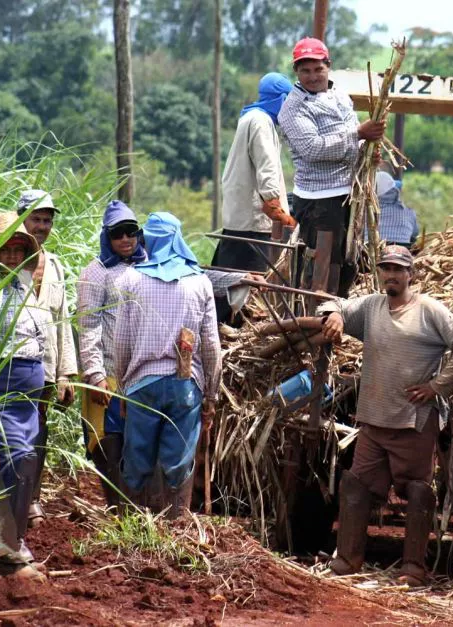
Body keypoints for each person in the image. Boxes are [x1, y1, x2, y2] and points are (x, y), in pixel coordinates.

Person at [319, 245, 453, 585]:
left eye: (398, 269)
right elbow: (335, 303)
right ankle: (347, 561)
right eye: (386, 269)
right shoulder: (372, 306)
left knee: (418, 490)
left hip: (413, 420)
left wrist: (438, 386)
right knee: (357, 484)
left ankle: (413, 569)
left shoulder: (428, 311)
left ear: (411, 274)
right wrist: (335, 314)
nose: (391, 275)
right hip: (374, 419)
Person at [113, 212, 221, 518]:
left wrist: (122, 389)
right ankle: (175, 525)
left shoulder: (132, 279)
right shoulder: (199, 282)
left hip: (141, 385)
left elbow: (121, 343)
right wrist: (211, 395)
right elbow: (212, 346)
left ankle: (133, 525)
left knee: (137, 458)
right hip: (185, 387)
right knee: (178, 462)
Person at [0, 212, 50, 581]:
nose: (15, 255)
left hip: (27, 397)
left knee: (23, 464)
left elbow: (39, 338)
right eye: (8, 249)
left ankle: (4, 544)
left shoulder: (21, 285)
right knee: (9, 463)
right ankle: (7, 549)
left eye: (20, 248)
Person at [278, 37, 386, 297]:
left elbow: (354, 141)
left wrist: (367, 153)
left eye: (318, 69)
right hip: (319, 198)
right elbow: (313, 149)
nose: (313, 76)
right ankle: (316, 319)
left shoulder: (340, 96)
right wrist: (358, 134)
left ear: (328, 66)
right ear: (297, 72)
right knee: (320, 265)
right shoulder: (292, 109)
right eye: (305, 70)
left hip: (348, 192)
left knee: (347, 260)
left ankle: (337, 314)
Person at [76, 200, 147, 507]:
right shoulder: (96, 272)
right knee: (107, 443)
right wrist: (94, 376)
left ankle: (135, 508)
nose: (126, 239)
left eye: (131, 232)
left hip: (140, 374)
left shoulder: (148, 266)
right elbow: (88, 325)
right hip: (107, 373)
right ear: (108, 236)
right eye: (118, 234)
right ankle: (118, 510)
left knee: (137, 444)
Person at [16, 189, 78, 528]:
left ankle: (32, 499)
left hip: (46, 369)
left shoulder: (54, 265)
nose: (41, 226)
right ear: (21, 219)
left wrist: (66, 372)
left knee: (39, 435)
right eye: (36, 219)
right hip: (9, 366)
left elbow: (63, 322)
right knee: (9, 435)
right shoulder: (5, 262)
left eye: (47, 221)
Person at [213, 72, 295, 273]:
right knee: (251, 287)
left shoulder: (250, 117)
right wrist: (276, 207)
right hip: (254, 224)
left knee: (228, 279)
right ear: (282, 99)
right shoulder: (261, 121)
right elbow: (266, 165)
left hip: (238, 220)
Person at [371, 171, 418, 249]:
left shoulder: (363, 214)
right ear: (394, 190)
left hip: (370, 255)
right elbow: (415, 234)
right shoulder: (409, 212)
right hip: (401, 255)